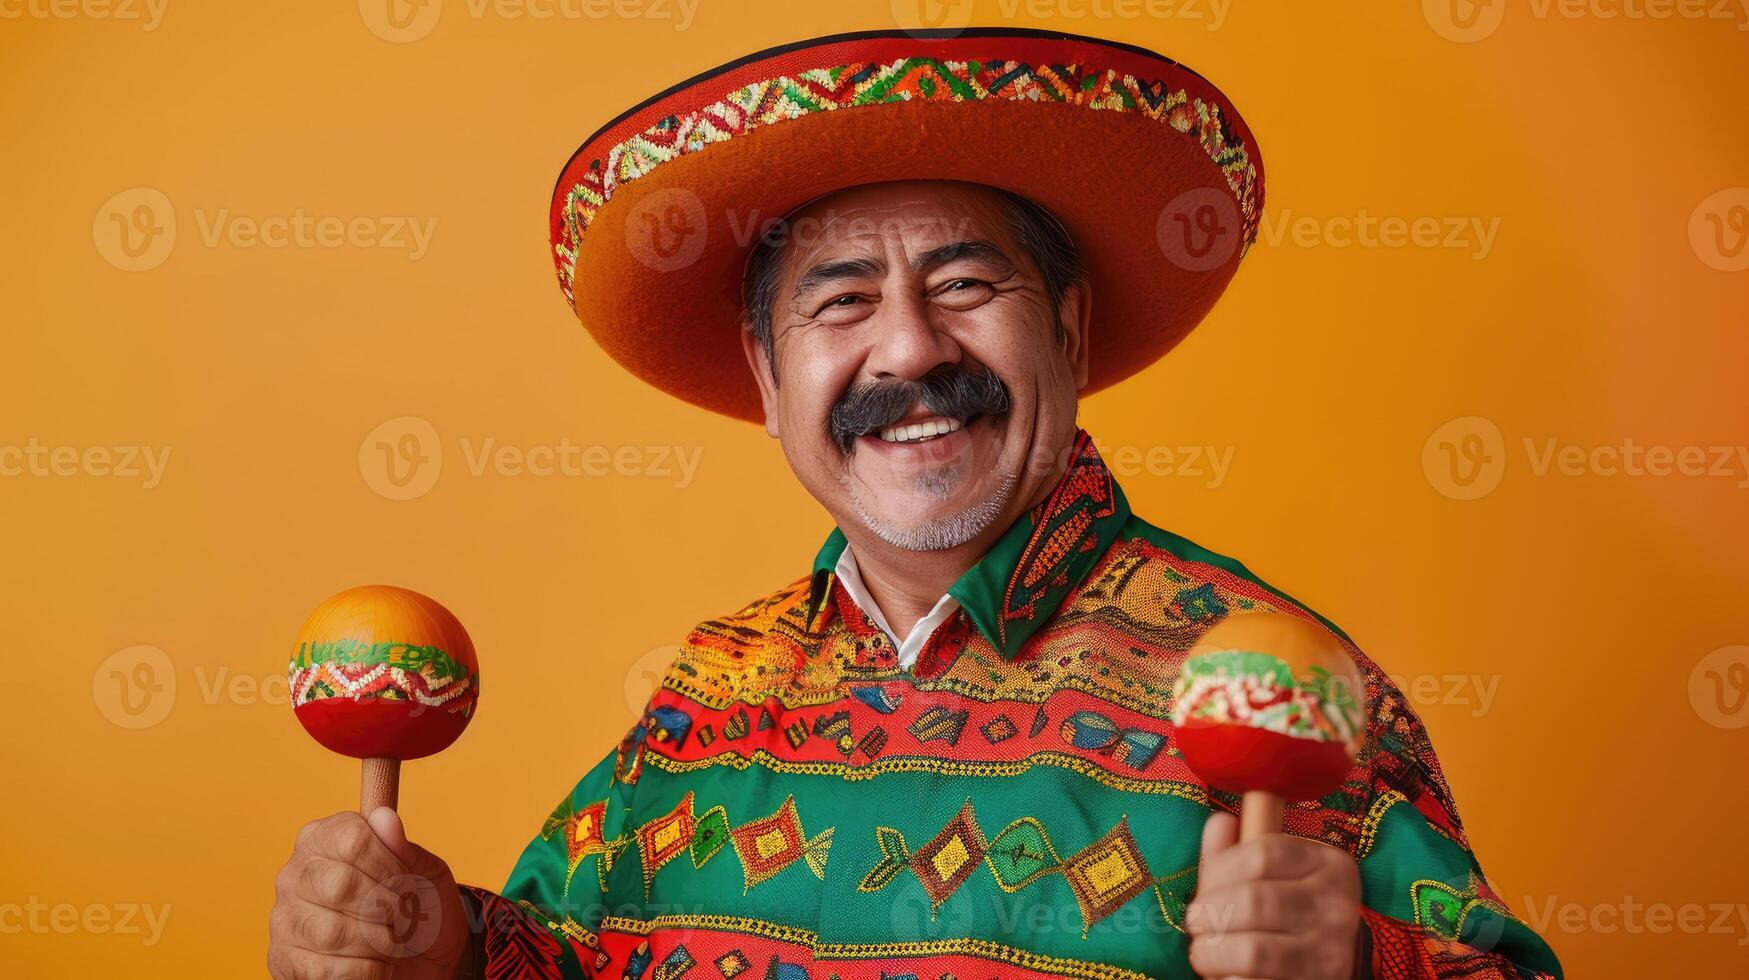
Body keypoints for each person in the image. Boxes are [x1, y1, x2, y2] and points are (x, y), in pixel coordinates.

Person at [267, 29, 1563, 979]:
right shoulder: (709, 694)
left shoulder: (1275, 691)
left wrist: (1355, 963)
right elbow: (563, 956)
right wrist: (425, 939)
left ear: (1063, 328)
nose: (904, 351)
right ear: (768, 381)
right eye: (839, 302)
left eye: (962, 285)